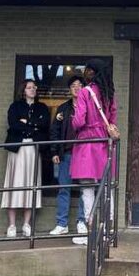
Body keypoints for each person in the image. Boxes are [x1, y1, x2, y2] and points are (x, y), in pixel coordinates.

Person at [70, 59, 118, 245]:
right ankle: (108, 232)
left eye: (86, 70)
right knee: (107, 189)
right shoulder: (109, 93)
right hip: (105, 144)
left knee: (88, 189)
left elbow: (79, 121)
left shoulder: (85, 92)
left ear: (92, 72)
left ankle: (89, 234)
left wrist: (74, 119)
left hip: (87, 144)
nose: (85, 73)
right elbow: (112, 119)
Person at [2, 79, 50, 237]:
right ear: (23, 90)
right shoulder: (15, 106)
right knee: (14, 183)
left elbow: (44, 125)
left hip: (33, 148)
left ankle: (26, 224)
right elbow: (13, 124)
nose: (33, 89)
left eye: (34, 87)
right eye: (29, 87)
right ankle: (11, 225)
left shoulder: (42, 107)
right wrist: (33, 126)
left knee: (30, 183)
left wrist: (27, 122)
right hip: (17, 148)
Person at [49, 75, 87, 236]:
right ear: (69, 89)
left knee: (85, 190)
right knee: (64, 188)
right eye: (73, 85)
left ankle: (82, 221)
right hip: (66, 153)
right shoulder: (63, 108)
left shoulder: (90, 107)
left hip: (84, 155)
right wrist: (54, 151)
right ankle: (62, 224)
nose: (77, 88)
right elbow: (55, 131)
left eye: (79, 85)